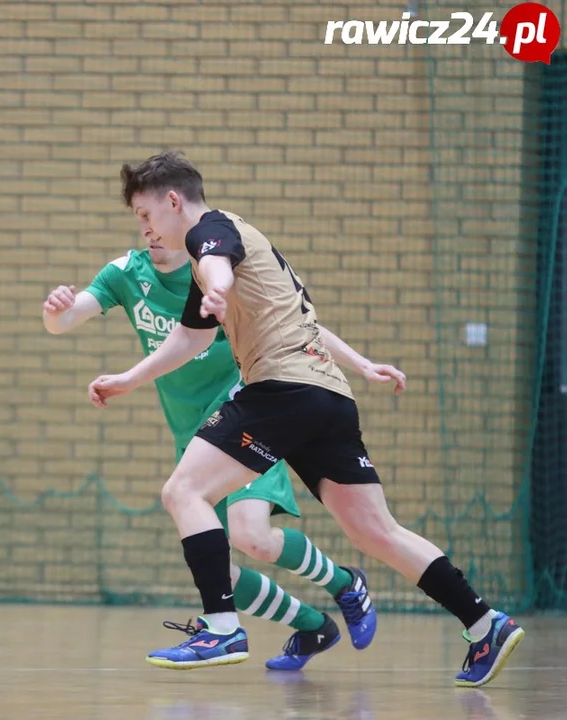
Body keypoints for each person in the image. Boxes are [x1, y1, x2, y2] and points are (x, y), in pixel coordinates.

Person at [88, 151, 524, 688]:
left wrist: (217, 285)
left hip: (280, 390)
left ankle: (222, 627)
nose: (144, 227)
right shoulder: (245, 243)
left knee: (184, 492)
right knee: (377, 531)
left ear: (173, 201)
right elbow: (194, 337)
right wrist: (130, 379)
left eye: (144, 213)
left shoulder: (211, 234)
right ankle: (486, 623)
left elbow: (216, 263)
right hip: (328, 398)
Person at [42, 243, 375, 669]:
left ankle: (345, 583)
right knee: (220, 574)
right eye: (141, 216)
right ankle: (313, 626)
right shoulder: (127, 272)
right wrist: (56, 311)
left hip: (248, 421)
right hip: (195, 440)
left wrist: (363, 365)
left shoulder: (217, 273)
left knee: (249, 535)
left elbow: (300, 326)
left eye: (155, 214)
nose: (149, 229)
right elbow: (66, 319)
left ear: (178, 210)